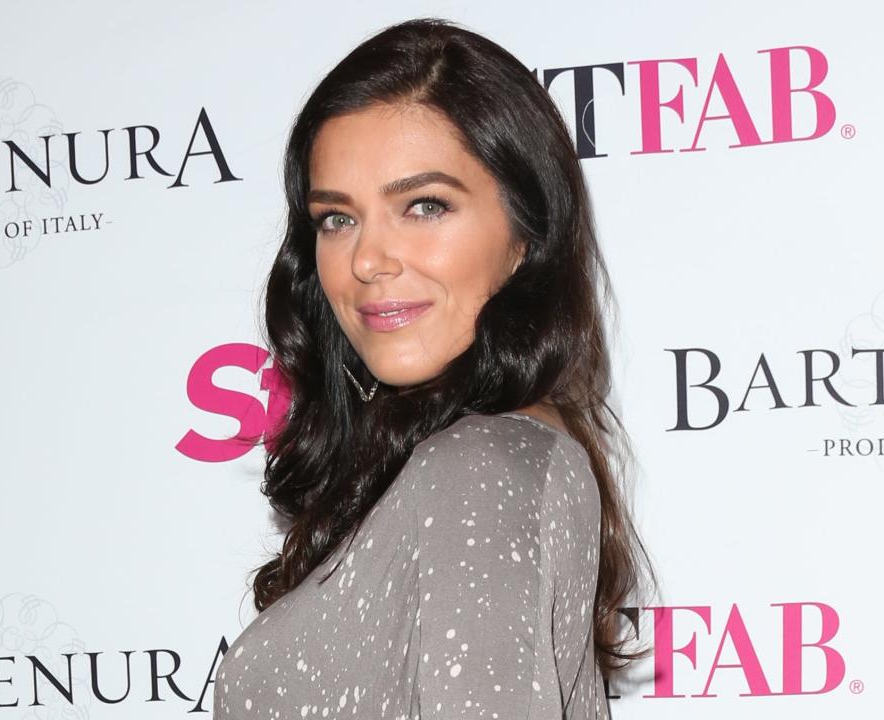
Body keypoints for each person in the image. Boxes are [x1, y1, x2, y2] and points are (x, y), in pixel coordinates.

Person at [214, 16, 654, 719]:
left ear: (523, 237)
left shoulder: (487, 464)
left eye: (423, 205)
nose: (366, 260)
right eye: (337, 218)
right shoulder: (455, 464)